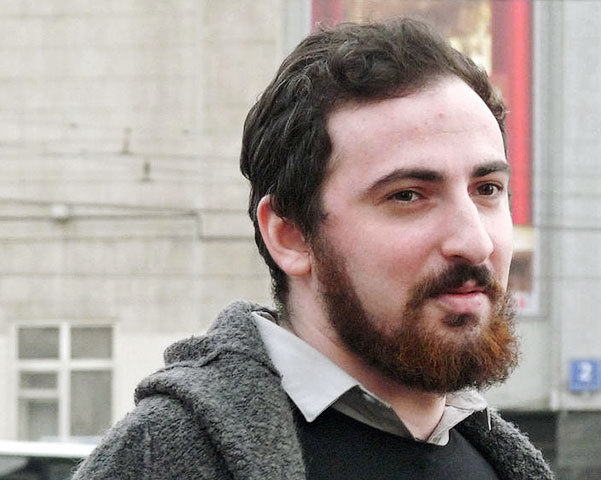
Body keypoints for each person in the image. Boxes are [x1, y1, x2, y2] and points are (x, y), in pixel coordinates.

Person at [73, 18, 553, 480]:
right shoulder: (162, 457)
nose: (475, 242)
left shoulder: (496, 460)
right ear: (290, 236)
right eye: (408, 196)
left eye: (487, 189)